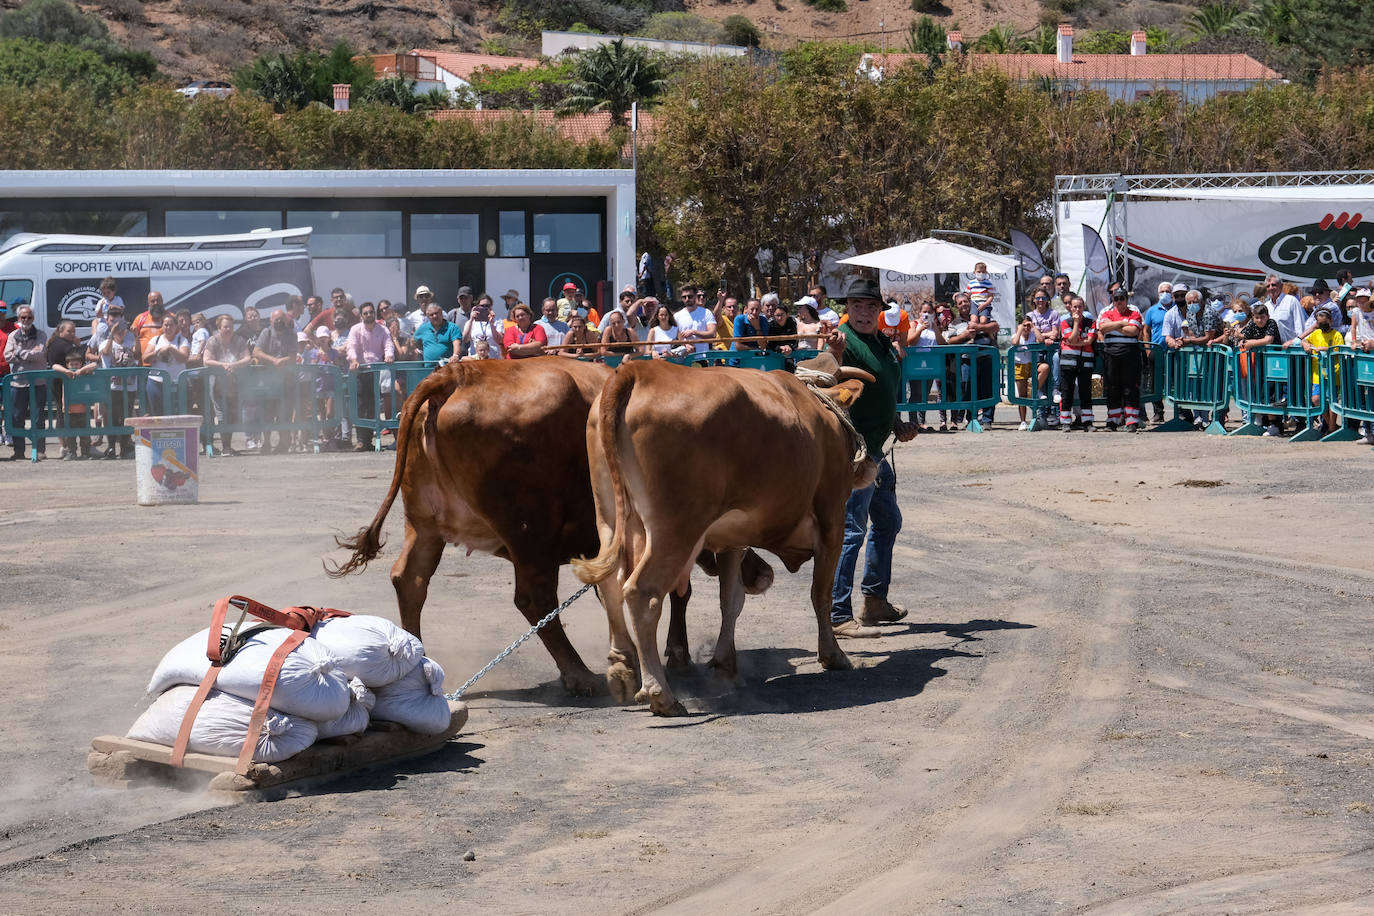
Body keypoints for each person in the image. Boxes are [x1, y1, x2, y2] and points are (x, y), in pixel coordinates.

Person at [826, 276, 918, 639]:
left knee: (888, 521)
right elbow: (827, 378)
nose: (863, 312)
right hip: (854, 452)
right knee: (851, 531)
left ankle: (875, 601)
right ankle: (837, 614)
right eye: (856, 306)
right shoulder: (843, 341)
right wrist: (834, 353)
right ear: (847, 310)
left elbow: (883, 393)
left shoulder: (882, 343)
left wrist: (898, 423)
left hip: (878, 451)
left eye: (870, 306)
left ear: (880, 310)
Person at [89, 302, 138, 459]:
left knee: (125, 417)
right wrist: (112, 334)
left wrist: (135, 336)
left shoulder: (130, 339)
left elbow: (137, 354)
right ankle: (111, 447)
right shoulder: (105, 341)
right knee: (111, 417)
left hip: (129, 386)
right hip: (112, 386)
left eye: (121, 327)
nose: (120, 331)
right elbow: (105, 352)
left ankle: (124, 447)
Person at [346, 302, 395, 451]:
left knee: (373, 406)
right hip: (360, 371)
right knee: (360, 406)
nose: (369, 315)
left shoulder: (383, 329)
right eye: (365, 313)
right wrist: (353, 360)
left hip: (376, 371)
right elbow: (351, 346)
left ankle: (369, 440)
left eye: (371, 312)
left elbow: (388, 344)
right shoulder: (355, 329)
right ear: (361, 316)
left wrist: (389, 355)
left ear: (374, 313)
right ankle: (361, 440)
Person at [4, 304, 49, 460]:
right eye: (23, 317)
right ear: (18, 318)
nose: (26, 320)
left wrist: (18, 353)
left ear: (33, 318)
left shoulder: (41, 335)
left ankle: (40, 450)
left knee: (38, 417)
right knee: (17, 418)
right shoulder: (12, 336)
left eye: (29, 317)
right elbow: (7, 356)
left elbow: (40, 354)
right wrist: (29, 354)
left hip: (38, 383)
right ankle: (19, 451)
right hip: (18, 383)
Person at [46, 320, 95, 459]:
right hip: (64, 385)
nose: (73, 333)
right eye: (69, 331)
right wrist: (80, 346)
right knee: (64, 416)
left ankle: (71, 448)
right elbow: (78, 357)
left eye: (74, 331)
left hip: (64, 384)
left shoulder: (57, 343)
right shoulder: (63, 345)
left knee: (64, 415)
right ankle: (68, 448)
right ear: (60, 331)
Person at [1096, 289, 1144, 432]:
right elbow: (1102, 328)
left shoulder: (1134, 314)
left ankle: (1131, 421)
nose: (1119, 301)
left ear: (1127, 300)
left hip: (1130, 354)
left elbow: (1133, 331)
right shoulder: (1107, 313)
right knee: (1112, 388)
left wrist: (1113, 325)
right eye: (1116, 299)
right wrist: (1123, 323)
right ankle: (1113, 421)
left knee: (1130, 388)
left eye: (1121, 298)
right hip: (1111, 354)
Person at [203, 314, 251, 455]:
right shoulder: (213, 341)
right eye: (225, 327)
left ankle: (228, 446)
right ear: (219, 328)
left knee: (232, 414)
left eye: (230, 326)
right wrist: (222, 365)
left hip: (234, 384)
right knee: (221, 414)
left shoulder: (239, 340)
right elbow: (206, 360)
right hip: (217, 384)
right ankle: (225, 447)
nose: (228, 329)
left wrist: (234, 365)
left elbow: (248, 358)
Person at [252, 308, 299, 454]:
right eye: (276, 319)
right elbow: (256, 352)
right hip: (267, 381)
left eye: (282, 319)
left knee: (284, 414)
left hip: (286, 381)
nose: (279, 322)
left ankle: (283, 443)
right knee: (267, 414)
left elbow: (293, 356)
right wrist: (273, 360)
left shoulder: (292, 334)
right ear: (271, 320)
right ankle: (266, 443)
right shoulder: (266, 333)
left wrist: (281, 361)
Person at [905, 302, 946, 431]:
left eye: (929, 312)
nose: (927, 314)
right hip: (916, 363)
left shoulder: (935, 326)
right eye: (924, 311)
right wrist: (920, 329)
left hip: (931, 363)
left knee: (925, 394)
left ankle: (921, 422)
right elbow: (910, 341)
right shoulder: (914, 324)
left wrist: (935, 328)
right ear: (919, 312)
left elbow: (942, 343)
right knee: (916, 393)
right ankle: (913, 422)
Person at [1058, 295, 1097, 430]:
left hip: (1085, 363)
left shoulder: (1091, 322)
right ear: (1070, 308)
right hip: (1068, 363)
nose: (1077, 309)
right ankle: (1065, 422)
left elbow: (1089, 341)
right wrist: (1075, 324)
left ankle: (1087, 422)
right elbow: (1073, 338)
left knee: (1086, 393)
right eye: (1075, 307)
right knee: (1067, 392)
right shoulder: (1065, 322)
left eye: (1080, 307)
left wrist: (1075, 342)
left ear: (1083, 307)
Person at [1303, 306, 1343, 434]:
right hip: (1318, 375)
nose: (1321, 325)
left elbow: (1339, 349)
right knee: (1316, 399)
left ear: (1330, 321)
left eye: (1324, 322)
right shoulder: (1315, 333)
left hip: (1333, 374)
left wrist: (1324, 349)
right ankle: (1331, 426)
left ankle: (1332, 428)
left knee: (1332, 401)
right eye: (1319, 323)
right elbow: (1304, 340)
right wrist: (1306, 345)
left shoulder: (1336, 335)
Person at [144, 313, 190, 410]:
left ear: (176, 326)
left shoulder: (182, 340)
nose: (168, 328)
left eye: (171, 325)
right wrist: (158, 352)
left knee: (177, 413)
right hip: (156, 382)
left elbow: (184, 358)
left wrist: (170, 348)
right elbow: (145, 358)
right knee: (157, 413)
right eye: (166, 325)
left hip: (177, 383)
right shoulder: (155, 340)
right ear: (162, 326)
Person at [1142, 281, 1172, 422]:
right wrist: (1148, 349)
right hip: (1157, 351)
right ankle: (1158, 412)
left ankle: (1182, 412)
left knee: (1175, 381)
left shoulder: (1177, 309)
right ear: (1158, 294)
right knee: (1155, 383)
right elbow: (1145, 330)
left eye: (1168, 291)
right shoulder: (1152, 310)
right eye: (1162, 291)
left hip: (1174, 351)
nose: (1165, 294)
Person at [1009, 313, 1038, 431]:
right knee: (1022, 394)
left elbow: (1041, 340)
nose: (1026, 328)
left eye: (1028, 326)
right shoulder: (1016, 335)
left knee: (1034, 392)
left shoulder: (1033, 336)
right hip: (1019, 365)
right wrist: (1020, 330)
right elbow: (1015, 342)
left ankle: (1036, 417)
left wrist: (1034, 327)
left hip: (1031, 364)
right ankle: (1023, 420)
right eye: (1024, 325)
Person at [674, 287, 717, 353]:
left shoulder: (706, 313)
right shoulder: (677, 316)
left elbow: (712, 333)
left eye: (690, 296)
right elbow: (674, 336)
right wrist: (684, 344)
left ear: (695, 296)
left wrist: (694, 332)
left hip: (703, 355)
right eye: (684, 297)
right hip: (684, 356)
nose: (687, 299)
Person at [461, 294, 505, 359]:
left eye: (487, 306)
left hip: (493, 358)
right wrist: (471, 320)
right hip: (475, 359)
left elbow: (499, 340)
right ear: (477, 306)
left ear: (491, 306)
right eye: (482, 306)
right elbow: (465, 339)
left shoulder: (497, 321)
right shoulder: (471, 322)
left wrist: (492, 324)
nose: (485, 308)